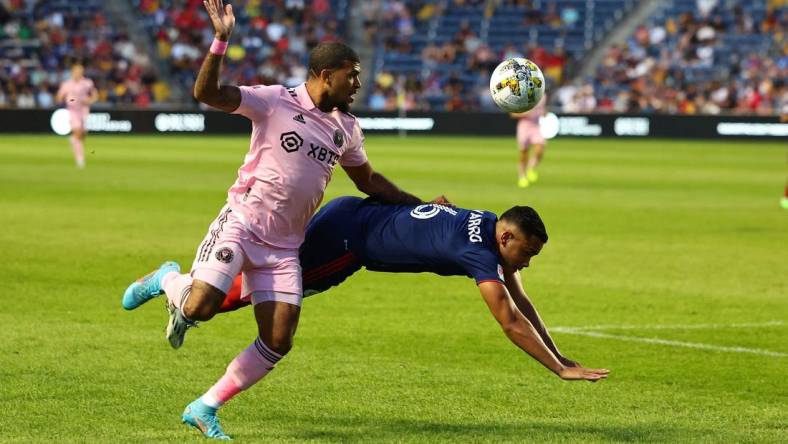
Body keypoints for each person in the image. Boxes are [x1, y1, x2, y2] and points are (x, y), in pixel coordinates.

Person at [120, 1, 446, 440]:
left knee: (278, 339)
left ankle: (204, 406)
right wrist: (221, 41)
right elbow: (208, 94)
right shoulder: (274, 101)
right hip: (242, 221)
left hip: (283, 247)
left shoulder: (346, 128)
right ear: (326, 75)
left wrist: (420, 205)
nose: (358, 84)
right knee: (199, 307)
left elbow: (369, 181)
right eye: (352, 75)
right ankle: (166, 278)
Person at [170, 196, 610, 384]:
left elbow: (523, 302)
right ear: (507, 239)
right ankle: (175, 286)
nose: (527, 263)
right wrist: (558, 371)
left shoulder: (490, 222)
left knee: (261, 272)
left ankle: (187, 285)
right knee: (265, 293)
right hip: (348, 244)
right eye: (527, 253)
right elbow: (510, 320)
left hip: (352, 212)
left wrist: (559, 355)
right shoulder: (479, 253)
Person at [55, 63, 97, 168]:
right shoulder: (67, 84)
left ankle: (73, 140)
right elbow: (59, 97)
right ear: (72, 72)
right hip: (73, 111)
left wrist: (89, 100)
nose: (78, 73)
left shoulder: (87, 83)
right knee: (78, 131)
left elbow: (95, 95)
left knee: (83, 134)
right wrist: (69, 99)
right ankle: (80, 159)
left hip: (84, 110)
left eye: (80, 71)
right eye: (76, 71)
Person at [510, 94, 547, 188]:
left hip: (536, 126)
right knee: (524, 153)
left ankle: (531, 168)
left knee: (540, 150)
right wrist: (526, 113)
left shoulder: (542, 95)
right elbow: (513, 114)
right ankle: (522, 176)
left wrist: (544, 113)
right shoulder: (521, 95)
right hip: (524, 126)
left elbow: (543, 109)